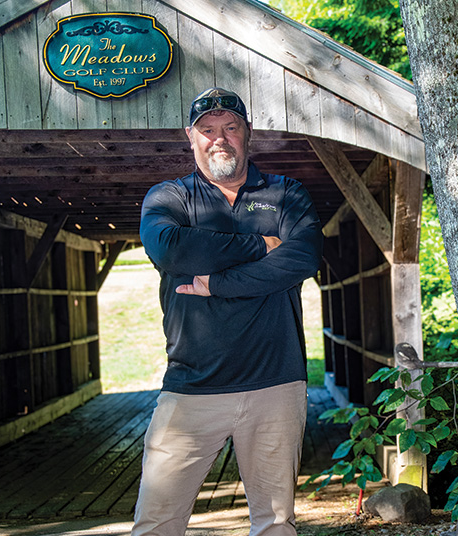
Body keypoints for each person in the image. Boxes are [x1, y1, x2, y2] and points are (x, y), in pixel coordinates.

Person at [133, 87, 323, 536]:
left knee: (276, 525)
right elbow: (170, 248)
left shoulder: (285, 194)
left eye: (230, 128)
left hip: (276, 384)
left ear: (246, 133)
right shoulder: (169, 198)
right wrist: (260, 246)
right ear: (191, 137)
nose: (220, 138)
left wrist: (216, 283)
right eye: (208, 130)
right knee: (156, 522)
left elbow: (301, 260)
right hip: (192, 387)